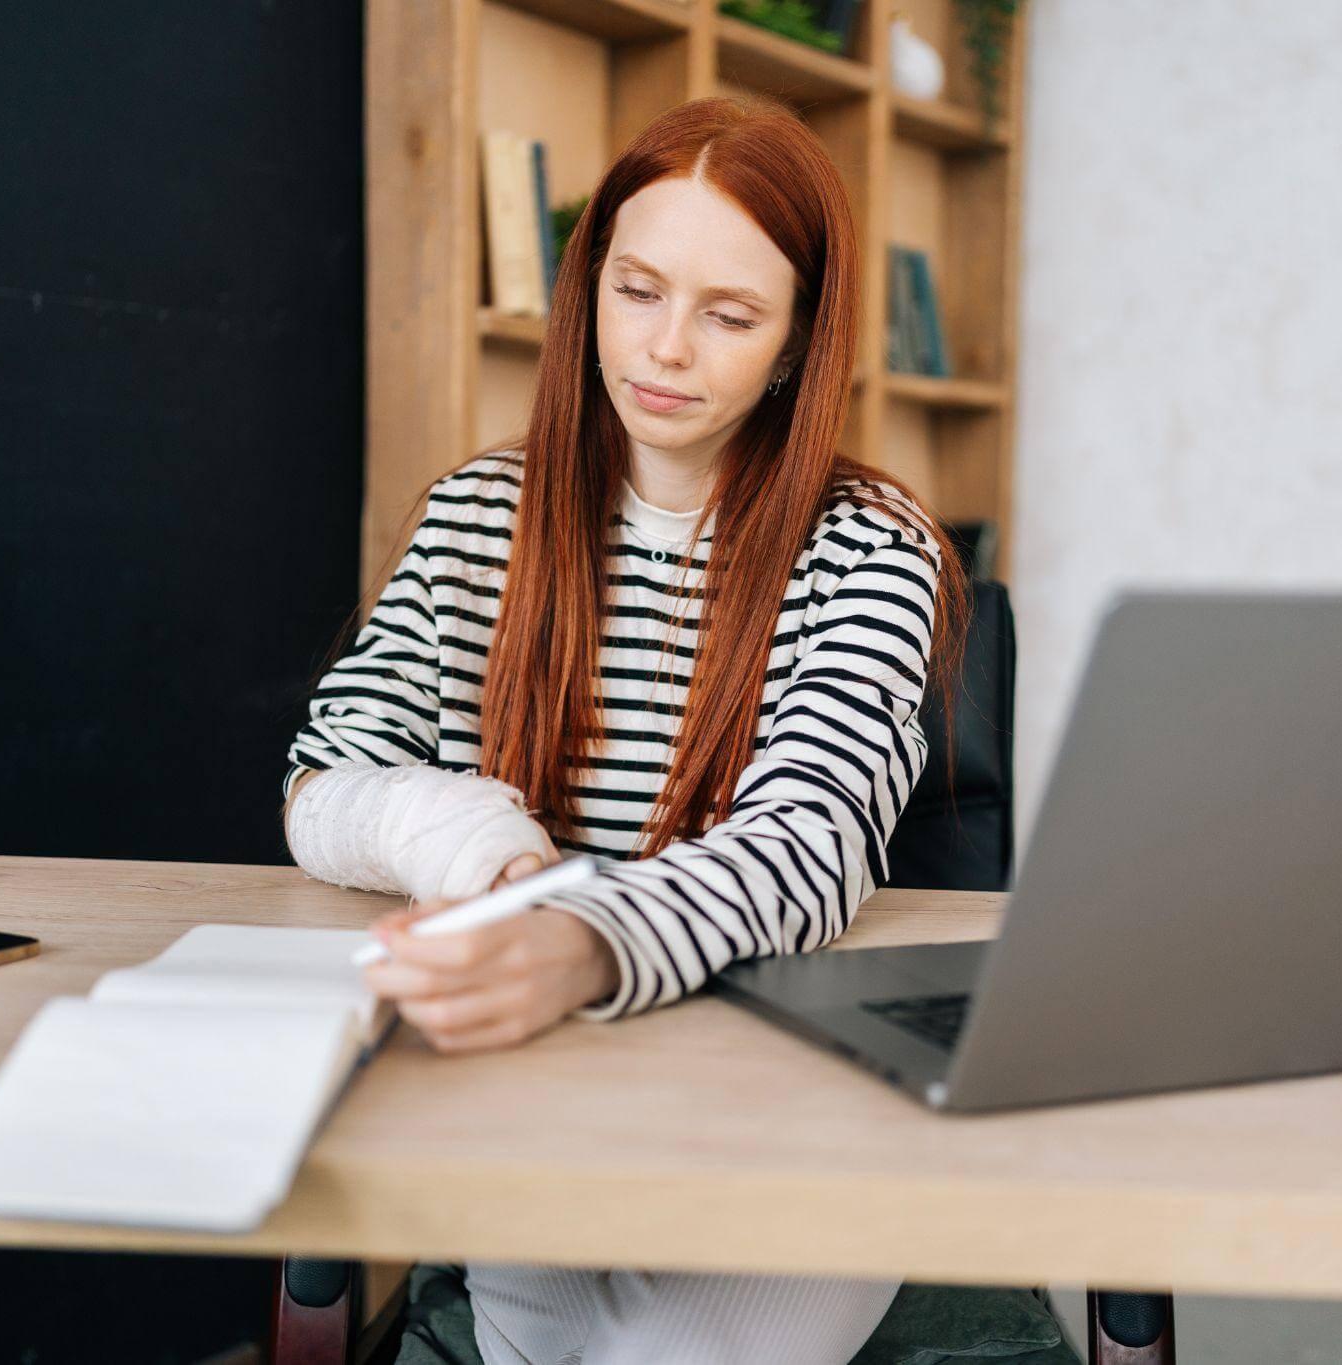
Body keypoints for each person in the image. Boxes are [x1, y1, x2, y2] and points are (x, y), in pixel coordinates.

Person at [281, 94, 969, 1365]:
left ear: (796, 342)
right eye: (636, 290)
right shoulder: (480, 516)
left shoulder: (874, 550)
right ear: (586, 280)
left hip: (792, 1111)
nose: (664, 351)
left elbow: (808, 840)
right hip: (534, 1087)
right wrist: (476, 843)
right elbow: (326, 782)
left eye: (729, 315)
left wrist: (580, 938)